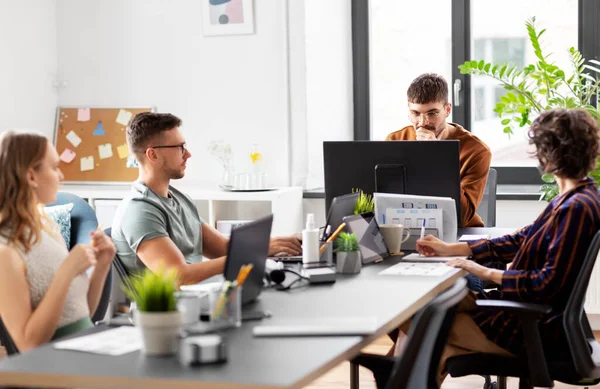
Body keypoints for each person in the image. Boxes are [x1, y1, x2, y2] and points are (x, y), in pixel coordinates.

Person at [396, 108, 600, 383]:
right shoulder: (577, 197)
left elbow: (545, 284)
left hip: (524, 329)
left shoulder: (575, 208)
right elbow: (519, 239)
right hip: (521, 316)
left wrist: (482, 272)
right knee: (427, 317)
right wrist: (453, 249)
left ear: (546, 156)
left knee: (419, 324)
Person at [111, 112, 302, 285]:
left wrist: (279, 243)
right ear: (152, 154)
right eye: (179, 147)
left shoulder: (178, 198)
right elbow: (179, 276)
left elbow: (223, 248)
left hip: (198, 296)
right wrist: (252, 254)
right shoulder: (139, 211)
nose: (188, 154)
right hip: (170, 313)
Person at [0, 131, 116, 351]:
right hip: (53, 368)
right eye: (54, 168)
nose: (61, 176)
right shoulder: (5, 251)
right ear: (31, 176)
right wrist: (67, 271)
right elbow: (27, 344)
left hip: (83, 348)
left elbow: (82, 315)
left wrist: (102, 265)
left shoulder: (47, 228)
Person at [386, 73, 491, 228]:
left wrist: (436, 156)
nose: (422, 123)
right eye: (415, 113)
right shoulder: (395, 140)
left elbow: (462, 215)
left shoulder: (476, 151)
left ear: (447, 110)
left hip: (458, 231)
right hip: (405, 227)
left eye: (432, 113)